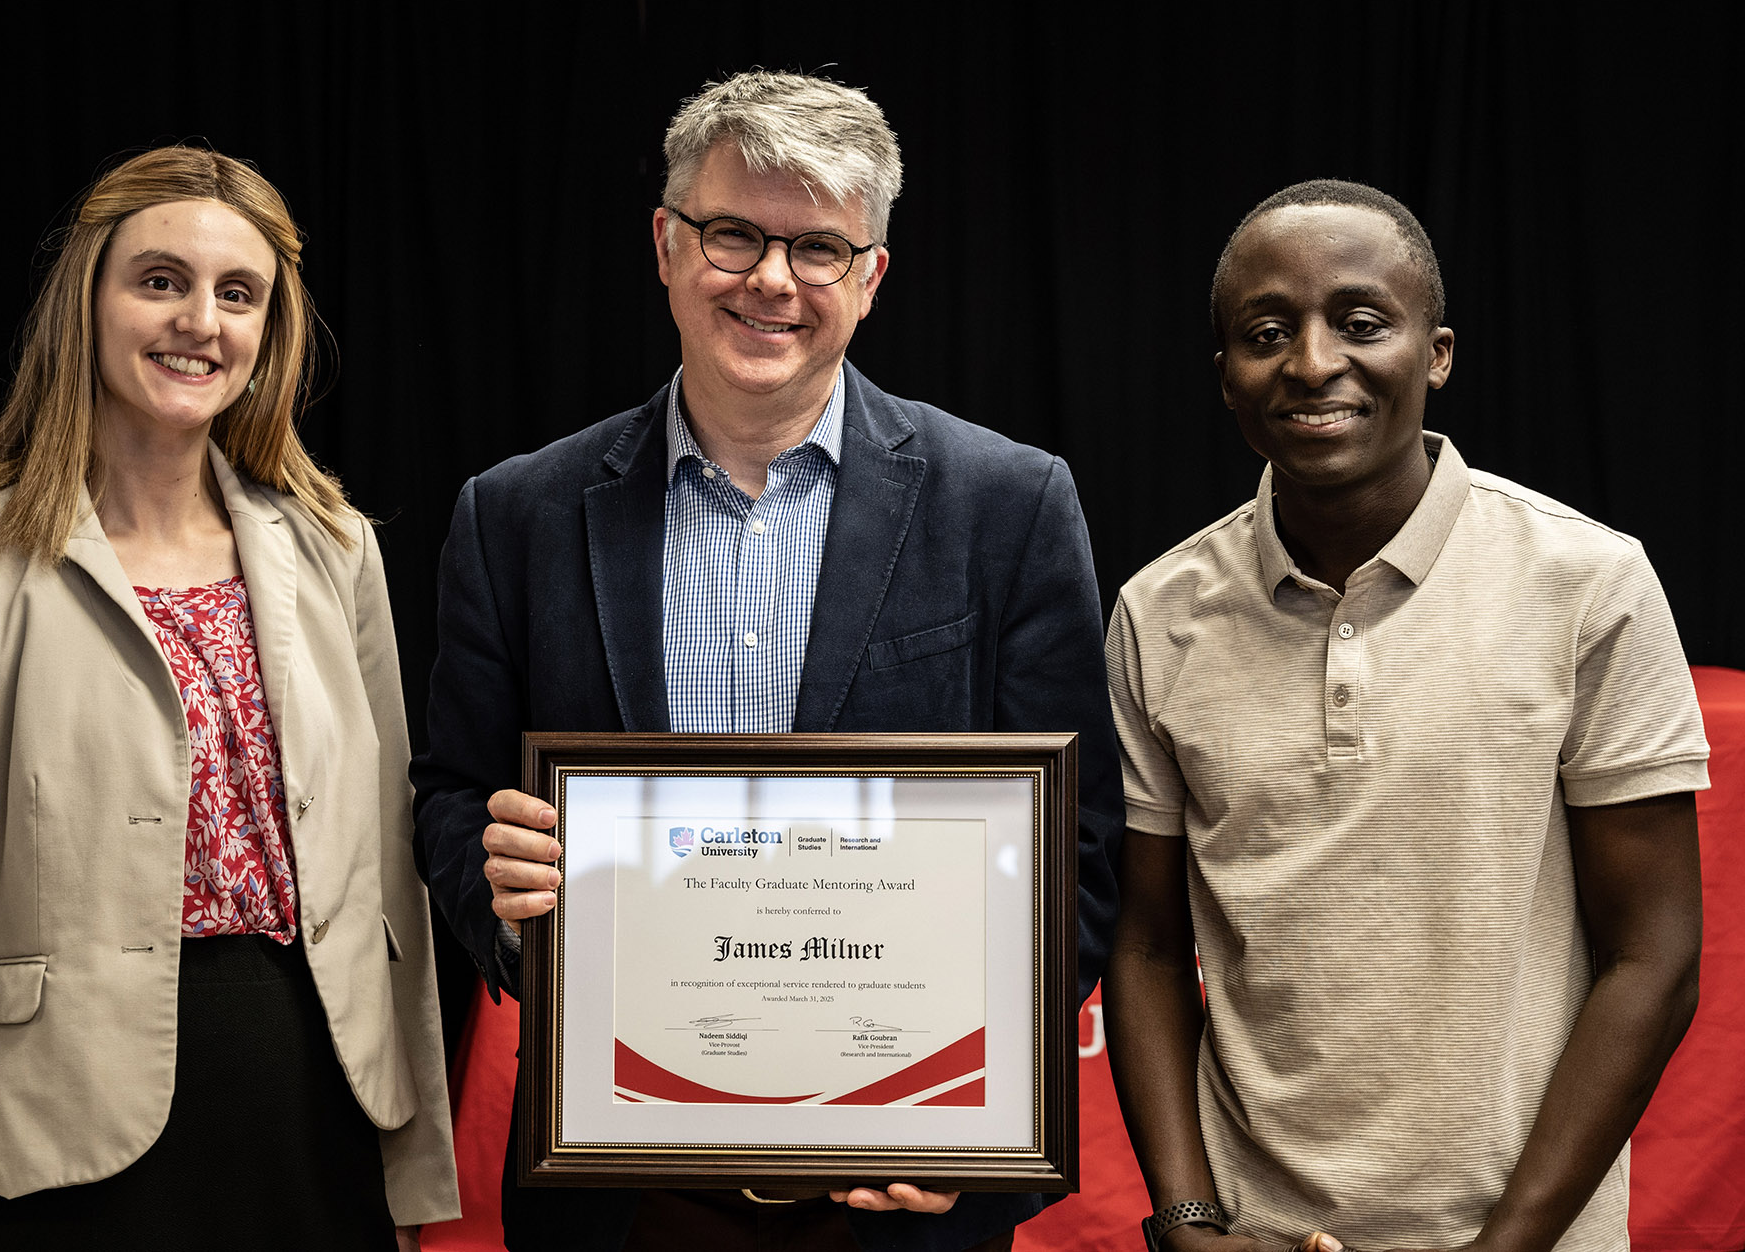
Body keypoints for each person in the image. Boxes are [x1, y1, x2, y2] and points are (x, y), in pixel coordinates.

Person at [410, 70, 1124, 1252]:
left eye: (817, 248)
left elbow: (1080, 851)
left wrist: (974, 1114)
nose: (770, 280)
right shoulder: (517, 514)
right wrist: (500, 891)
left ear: (871, 276)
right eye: (733, 233)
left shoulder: (1008, 502)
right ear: (665, 243)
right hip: (620, 1184)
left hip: (901, 1184)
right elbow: (446, 795)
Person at [0, 146, 459, 1251]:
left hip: (319, 1112)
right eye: (159, 280)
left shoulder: (336, 553)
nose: (200, 320)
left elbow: (392, 883)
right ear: (86, 298)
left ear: (267, 333)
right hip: (70, 1142)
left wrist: (417, 1172)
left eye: (237, 293)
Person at [1102, 179, 1708, 1252]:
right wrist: (1188, 1220)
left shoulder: (1588, 581)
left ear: (1434, 354)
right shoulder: (1157, 612)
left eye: (1361, 321)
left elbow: (1652, 957)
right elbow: (1146, 947)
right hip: (1255, 1231)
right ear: (1224, 377)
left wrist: (1507, 1239)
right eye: (1265, 331)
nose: (1311, 360)